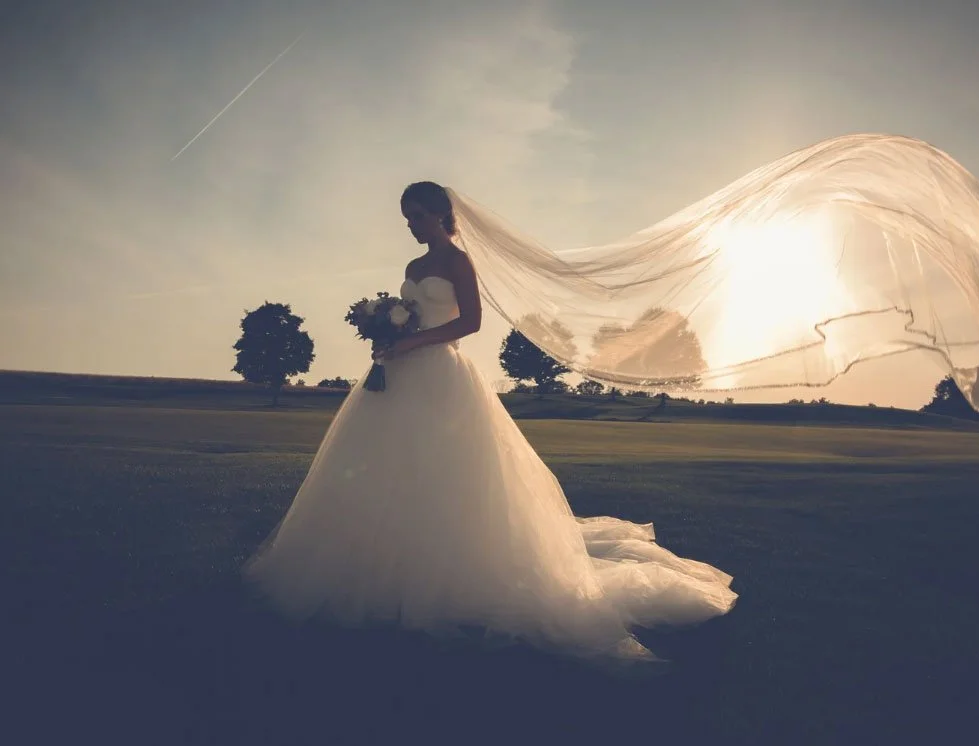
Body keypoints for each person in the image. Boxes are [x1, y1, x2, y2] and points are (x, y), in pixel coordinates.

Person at [243, 181, 737, 661]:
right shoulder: (413, 266)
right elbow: (413, 313)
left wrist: (413, 340)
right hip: (399, 374)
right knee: (384, 466)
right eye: (406, 218)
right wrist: (389, 336)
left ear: (440, 214)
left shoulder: (459, 261)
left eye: (417, 216)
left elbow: (471, 322)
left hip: (441, 374)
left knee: (446, 471)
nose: (411, 226)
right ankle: (375, 566)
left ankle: (447, 575)